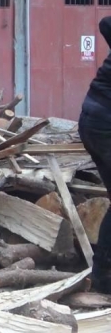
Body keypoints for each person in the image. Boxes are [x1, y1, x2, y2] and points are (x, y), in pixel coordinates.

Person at [80, 16, 111, 293]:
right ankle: (103, 278)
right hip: (104, 124)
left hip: (92, 117)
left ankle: (103, 276)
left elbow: (105, 23)